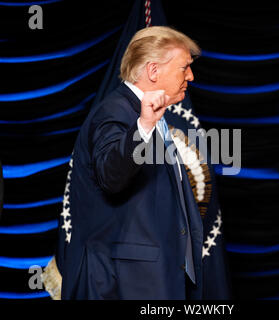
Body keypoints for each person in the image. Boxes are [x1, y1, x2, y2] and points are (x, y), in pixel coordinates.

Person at [56, 26, 204, 299]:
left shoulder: (153, 119)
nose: (191, 76)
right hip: (124, 284)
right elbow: (111, 174)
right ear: (153, 71)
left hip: (153, 280)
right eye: (184, 68)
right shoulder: (116, 112)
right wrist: (144, 125)